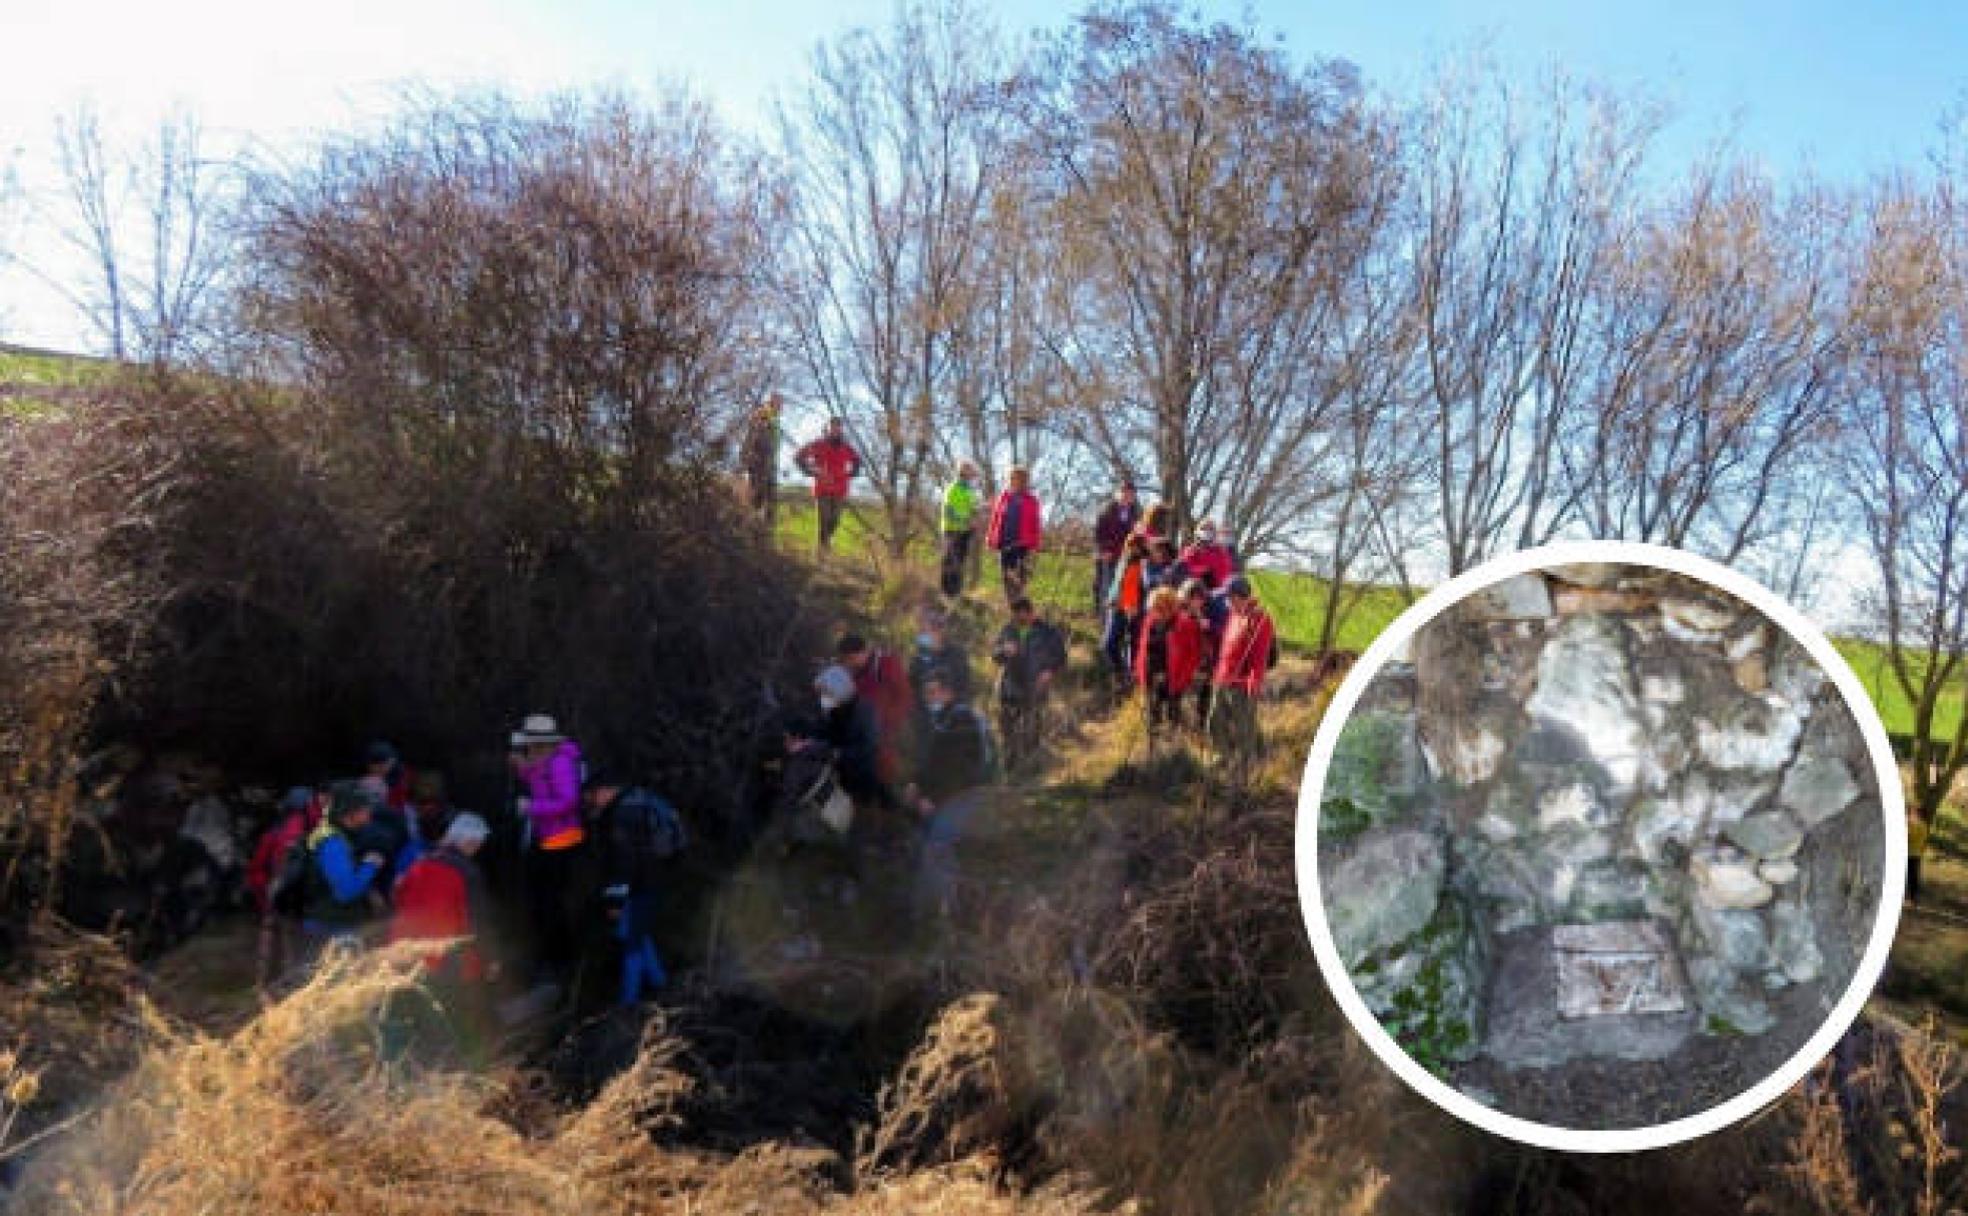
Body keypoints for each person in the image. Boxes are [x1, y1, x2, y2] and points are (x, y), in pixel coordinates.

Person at [585, 771, 687, 1006]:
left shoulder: (623, 814)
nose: (590, 801)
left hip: (638, 887)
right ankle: (660, 984)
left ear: (604, 791)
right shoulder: (638, 800)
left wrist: (615, 901)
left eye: (591, 795)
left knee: (631, 941)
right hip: (653, 880)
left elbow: (624, 862)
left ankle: (628, 1002)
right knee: (638, 936)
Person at [905, 668, 993, 917]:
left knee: (937, 846)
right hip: (944, 796)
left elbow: (960, 770)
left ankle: (948, 912)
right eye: (926, 692)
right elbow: (933, 761)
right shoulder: (942, 718)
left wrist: (933, 798)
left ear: (948, 692)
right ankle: (933, 909)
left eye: (934, 692)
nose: (928, 697)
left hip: (962, 796)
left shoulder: (961, 720)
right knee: (927, 845)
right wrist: (916, 784)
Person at [510, 713, 588, 982]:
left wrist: (531, 808)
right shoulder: (544, 760)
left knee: (551, 901)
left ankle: (561, 961)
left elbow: (569, 801)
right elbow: (538, 779)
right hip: (546, 837)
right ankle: (549, 956)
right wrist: (521, 768)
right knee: (540, 899)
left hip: (561, 838)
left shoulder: (561, 763)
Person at [300, 781, 390, 946]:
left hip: (335, 925)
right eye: (365, 808)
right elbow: (345, 892)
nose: (370, 812)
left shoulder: (344, 836)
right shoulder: (332, 843)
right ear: (350, 812)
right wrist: (370, 866)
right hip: (329, 928)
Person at [1209, 576, 1277, 778]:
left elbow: (1260, 656)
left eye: (1229, 597)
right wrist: (1218, 674)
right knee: (1214, 720)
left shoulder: (1259, 620)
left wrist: (1253, 683)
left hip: (1241, 684)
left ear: (1239, 597)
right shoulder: (1233, 615)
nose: (1226, 602)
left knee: (1244, 728)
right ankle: (1224, 756)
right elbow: (1226, 648)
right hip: (1222, 678)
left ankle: (1247, 767)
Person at [992, 597, 1067, 773]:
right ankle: (1009, 773)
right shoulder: (1008, 630)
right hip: (1009, 689)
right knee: (1008, 734)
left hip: (1035, 690)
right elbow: (995, 655)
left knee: (1032, 733)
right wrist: (1003, 651)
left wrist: (1049, 671)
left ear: (1031, 612)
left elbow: (1061, 657)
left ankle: (1030, 773)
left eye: (1022, 616)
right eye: (1015, 616)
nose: (1019, 620)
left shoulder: (1048, 632)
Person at [838, 633, 915, 788]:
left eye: (851, 659)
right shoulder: (856, 673)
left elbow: (905, 697)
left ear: (862, 652)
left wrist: (888, 723)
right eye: (847, 660)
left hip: (890, 729)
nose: (849, 663)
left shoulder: (887, 664)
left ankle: (894, 792)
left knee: (889, 768)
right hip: (869, 730)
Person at [1135, 586, 1203, 746]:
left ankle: (1174, 752)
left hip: (1174, 680)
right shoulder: (1149, 621)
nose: (1153, 612)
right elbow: (1142, 649)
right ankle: (1154, 752)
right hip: (1151, 678)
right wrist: (1139, 671)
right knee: (1152, 720)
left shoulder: (1185, 624)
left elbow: (1193, 656)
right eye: (1152, 608)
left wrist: (1182, 680)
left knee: (1174, 718)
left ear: (1168, 607)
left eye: (1157, 609)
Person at [815, 665, 885, 805]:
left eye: (826, 692)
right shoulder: (835, 710)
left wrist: (840, 753)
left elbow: (869, 747)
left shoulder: (865, 710)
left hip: (860, 777)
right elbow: (827, 733)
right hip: (836, 774)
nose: (823, 698)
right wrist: (810, 742)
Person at [795, 416, 862, 554]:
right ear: (828, 428)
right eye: (833, 427)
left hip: (840, 489)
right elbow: (799, 456)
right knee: (824, 520)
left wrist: (852, 473)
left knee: (835, 521)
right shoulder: (818, 444)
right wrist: (810, 471)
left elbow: (857, 460)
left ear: (841, 429)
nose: (835, 430)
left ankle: (826, 544)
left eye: (838, 427)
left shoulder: (846, 447)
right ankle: (822, 549)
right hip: (822, 488)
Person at [984, 466, 1043, 606]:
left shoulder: (1031, 500)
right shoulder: (1004, 497)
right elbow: (995, 519)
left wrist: (1036, 544)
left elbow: (1036, 523)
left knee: (1021, 575)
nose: (1016, 481)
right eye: (1013, 478)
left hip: (1023, 544)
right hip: (1005, 542)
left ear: (1025, 481)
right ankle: (1010, 603)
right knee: (1006, 574)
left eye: (1020, 479)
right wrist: (989, 538)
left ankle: (1019, 602)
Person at [1102, 533, 1150, 686]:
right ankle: (1121, 671)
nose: (1132, 548)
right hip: (1119, 607)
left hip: (1137, 610)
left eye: (1136, 545)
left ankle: (1132, 679)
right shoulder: (1124, 561)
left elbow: (1146, 588)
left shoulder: (1145, 564)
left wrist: (1138, 607)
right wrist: (1111, 598)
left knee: (1134, 647)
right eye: (1130, 545)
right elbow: (1117, 583)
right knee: (1110, 644)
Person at [1182, 578, 1229, 730]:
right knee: (1203, 689)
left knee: (1211, 692)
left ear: (1199, 597)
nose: (1188, 605)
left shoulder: (1217, 605)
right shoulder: (1188, 607)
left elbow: (1227, 632)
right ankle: (1203, 726)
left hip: (1222, 655)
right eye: (1187, 601)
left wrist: (1209, 625)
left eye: (1191, 601)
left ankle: (1211, 727)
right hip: (1203, 656)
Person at [1093, 479, 1141, 618]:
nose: (1127, 496)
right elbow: (1098, 533)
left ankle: (1116, 618)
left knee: (1121, 588)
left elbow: (1137, 535)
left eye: (1130, 494)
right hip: (1107, 555)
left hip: (1126, 556)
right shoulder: (1106, 510)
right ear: (1117, 493)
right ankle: (1103, 617)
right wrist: (1103, 551)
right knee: (1105, 587)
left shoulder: (1136, 514)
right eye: (1124, 492)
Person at [908, 607, 972, 708]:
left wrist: (948, 697)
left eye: (936, 627)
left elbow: (965, 686)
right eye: (925, 630)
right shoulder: (918, 659)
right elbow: (911, 689)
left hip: (953, 713)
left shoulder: (957, 654)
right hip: (926, 715)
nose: (931, 633)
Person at [939, 461, 983, 598]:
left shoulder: (971, 490)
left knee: (961, 561)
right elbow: (948, 512)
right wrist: (967, 519)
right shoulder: (952, 489)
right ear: (962, 472)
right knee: (950, 560)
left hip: (966, 531)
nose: (972, 474)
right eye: (970, 471)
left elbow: (975, 509)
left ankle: (956, 593)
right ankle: (946, 593)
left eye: (973, 472)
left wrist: (978, 516)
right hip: (952, 530)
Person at [742, 394, 782, 524]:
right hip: (759, 465)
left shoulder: (775, 419)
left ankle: (765, 532)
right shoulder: (763, 415)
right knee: (757, 498)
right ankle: (753, 529)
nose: (780, 406)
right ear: (771, 402)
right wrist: (748, 461)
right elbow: (751, 440)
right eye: (778, 402)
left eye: (781, 403)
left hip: (770, 466)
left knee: (771, 499)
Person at [1179, 520, 1234, 591]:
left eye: (1210, 529)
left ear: (1215, 533)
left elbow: (1224, 574)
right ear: (1197, 531)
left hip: (1214, 588)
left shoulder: (1221, 552)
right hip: (1190, 587)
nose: (1207, 531)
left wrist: (1209, 570)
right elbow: (1186, 568)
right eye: (1203, 528)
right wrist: (1204, 569)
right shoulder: (1190, 550)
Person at [1908, 807, 1930, 906]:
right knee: (1912, 876)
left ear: (1918, 815)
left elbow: (1910, 836)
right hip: (1916, 853)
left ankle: (1912, 899)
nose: (1911, 815)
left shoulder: (1919, 826)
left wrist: (1909, 824)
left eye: (1913, 814)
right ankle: (1912, 898)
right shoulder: (1924, 826)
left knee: (1911, 877)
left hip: (1912, 854)